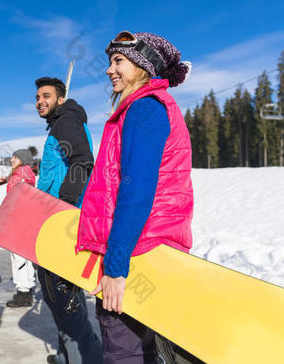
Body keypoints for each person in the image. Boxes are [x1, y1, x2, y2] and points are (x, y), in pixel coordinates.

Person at [76, 31, 194, 364]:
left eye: (118, 61)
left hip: (138, 252)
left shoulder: (144, 108)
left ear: (143, 67)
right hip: (143, 249)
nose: (109, 70)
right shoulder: (143, 108)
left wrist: (115, 268)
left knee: (123, 351)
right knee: (140, 351)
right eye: (109, 61)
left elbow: (136, 190)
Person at [34, 77, 103, 364]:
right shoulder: (61, 124)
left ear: (60, 99)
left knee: (65, 302)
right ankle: (67, 356)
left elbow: (83, 161)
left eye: (46, 96)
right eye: (37, 97)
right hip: (56, 223)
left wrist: (62, 206)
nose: (40, 101)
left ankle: (86, 359)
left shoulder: (66, 122)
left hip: (62, 227)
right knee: (59, 300)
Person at [0, 148, 37, 308]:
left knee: (19, 257)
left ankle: (24, 293)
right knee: (24, 256)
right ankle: (25, 290)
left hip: (18, 221)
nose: (11, 160)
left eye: (14, 157)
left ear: (22, 159)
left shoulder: (20, 176)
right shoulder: (25, 174)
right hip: (25, 220)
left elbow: (18, 197)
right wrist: (8, 179)